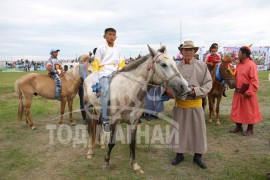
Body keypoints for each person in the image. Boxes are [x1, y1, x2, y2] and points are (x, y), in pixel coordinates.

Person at [170, 40, 212, 169]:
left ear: (194, 51)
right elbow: (169, 83)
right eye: (185, 49)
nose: (188, 52)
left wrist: (196, 91)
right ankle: (179, 154)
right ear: (181, 51)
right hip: (180, 104)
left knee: (198, 130)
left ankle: (198, 156)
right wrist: (169, 90)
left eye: (190, 49)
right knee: (179, 130)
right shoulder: (175, 67)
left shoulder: (202, 66)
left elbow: (208, 84)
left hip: (196, 103)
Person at [92, 28, 126, 133]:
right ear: (104, 36)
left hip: (116, 72)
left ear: (116, 37)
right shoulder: (101, 48)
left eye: (113, 35)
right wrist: (95, 81)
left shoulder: (118, 50)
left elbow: (122, 64)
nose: (112, 36)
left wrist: (120, 70)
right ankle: (105, 120)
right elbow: (96, 64)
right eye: (109, 34)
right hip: (104, 72)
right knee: (105, 91)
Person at [229, 45, 262, 136]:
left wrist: (249, 92)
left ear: (244, 54)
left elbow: (254, 80)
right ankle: (238, 127)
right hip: (238, 92)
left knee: (249, 111)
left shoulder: (251, 65)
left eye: (239, 53)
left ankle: (250, 129)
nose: (238, 54)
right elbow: (236, 76)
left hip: (247, 93)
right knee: (237, 110)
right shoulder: (239, 64)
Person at [78, 55, 90, 124]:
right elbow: (84, 77)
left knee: (87, 103)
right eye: (87, 61)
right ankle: (84, 118)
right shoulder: (82, 67)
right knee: (83, 103)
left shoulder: (86, 67)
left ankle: (87, 118)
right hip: (82, 87)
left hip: (86, 87)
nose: (88, 63)